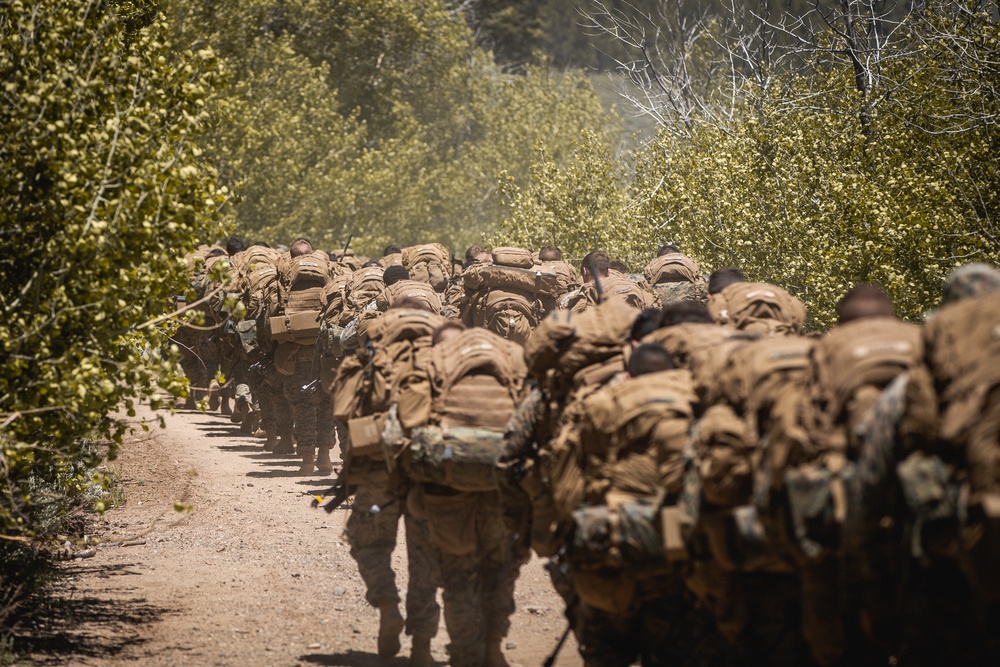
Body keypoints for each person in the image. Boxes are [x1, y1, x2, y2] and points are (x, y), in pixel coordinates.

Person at [396, 324, 530, 667]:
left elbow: (404, 428)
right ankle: (494, 647)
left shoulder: (428, 366)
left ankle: (461, 654)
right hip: (502, 491)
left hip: (446, 493)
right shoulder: (512, 364)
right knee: (500, 571)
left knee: (458, 577)